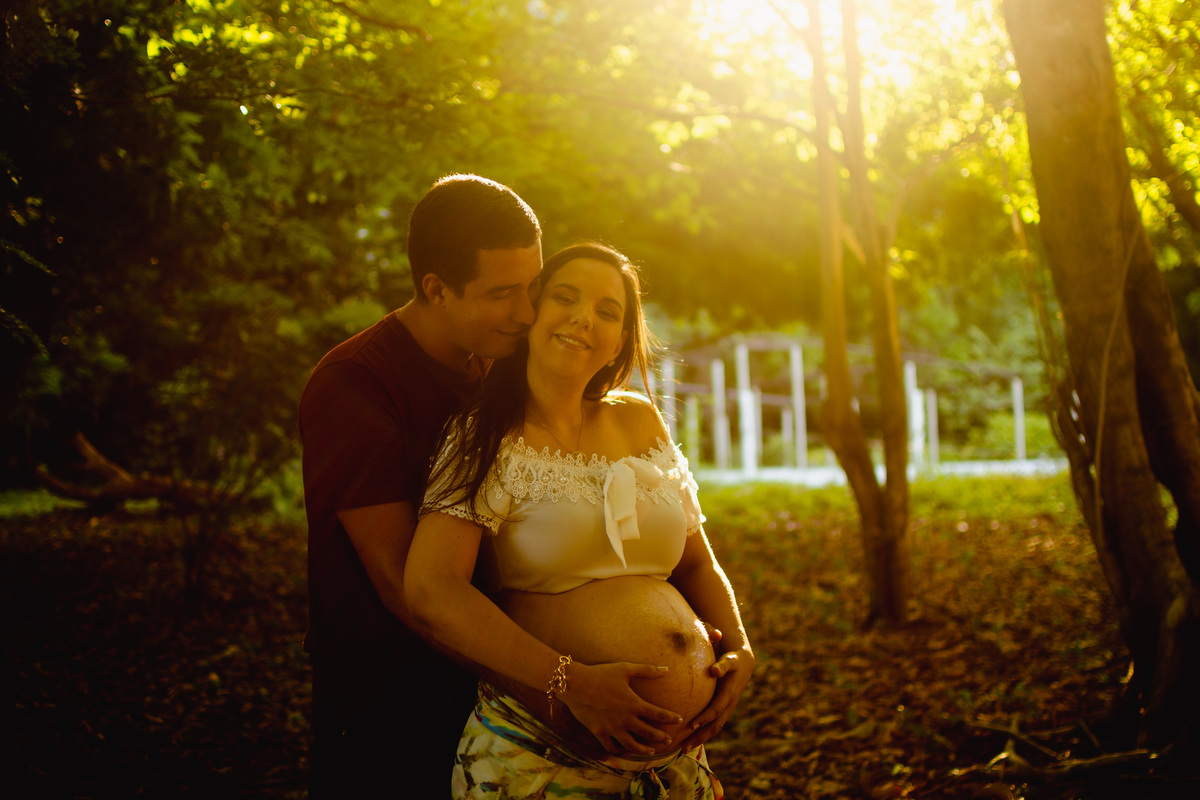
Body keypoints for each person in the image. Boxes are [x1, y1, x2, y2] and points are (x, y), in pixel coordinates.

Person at [408, 241, 754, 799]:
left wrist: (738, 645)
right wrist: (571, 682)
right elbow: (431, 589)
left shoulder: (641, 420)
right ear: (533, 313)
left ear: (619, 339)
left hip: (674, 766)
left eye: (607, 310)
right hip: (542, 756)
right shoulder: (484, 433)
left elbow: (696, 560)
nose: (583, 318)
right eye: (565, 298)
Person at [298, 174, 544, 797]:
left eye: (534, 286)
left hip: (503, 700)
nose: (528, 312)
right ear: (436, 288)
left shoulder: (503, 360)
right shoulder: (354, 385)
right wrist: (555, 686)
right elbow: (403, 586)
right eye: (503, 293)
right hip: (393, 713)